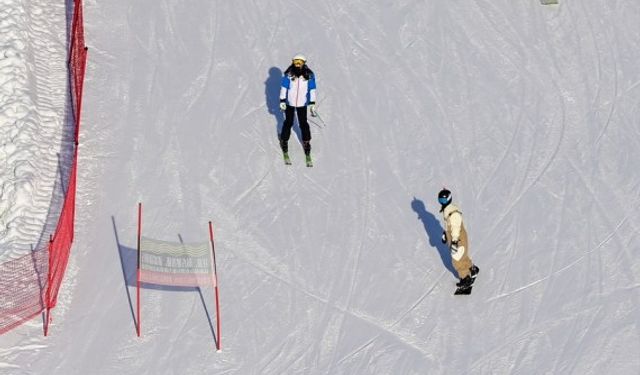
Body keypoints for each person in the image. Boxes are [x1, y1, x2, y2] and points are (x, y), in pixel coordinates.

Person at [279, 54, 317, 166]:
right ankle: (284, 140)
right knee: (288, 122)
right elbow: (284, 87)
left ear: (304, 62)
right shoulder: (289, 74)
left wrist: (312, 103)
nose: (298, 64)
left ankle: (306, 142)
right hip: (290, 103)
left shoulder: (309, 75)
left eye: (300, 62)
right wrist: (282, 100)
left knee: (303, 123)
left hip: (302, 104)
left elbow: (312, 89)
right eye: (296, 62)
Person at [438, 188, 479, 290]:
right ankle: (471, 269)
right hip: (455, 236)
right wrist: (445, 234)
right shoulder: (449, 210)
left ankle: (466, 278)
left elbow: (455, 228)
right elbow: (449, 226)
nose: (443, 203)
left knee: (457, 260)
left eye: (444, 201)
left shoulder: (453, 214)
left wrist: (455, 242)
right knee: (462, 256)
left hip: (458, 238)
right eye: (441, 201)